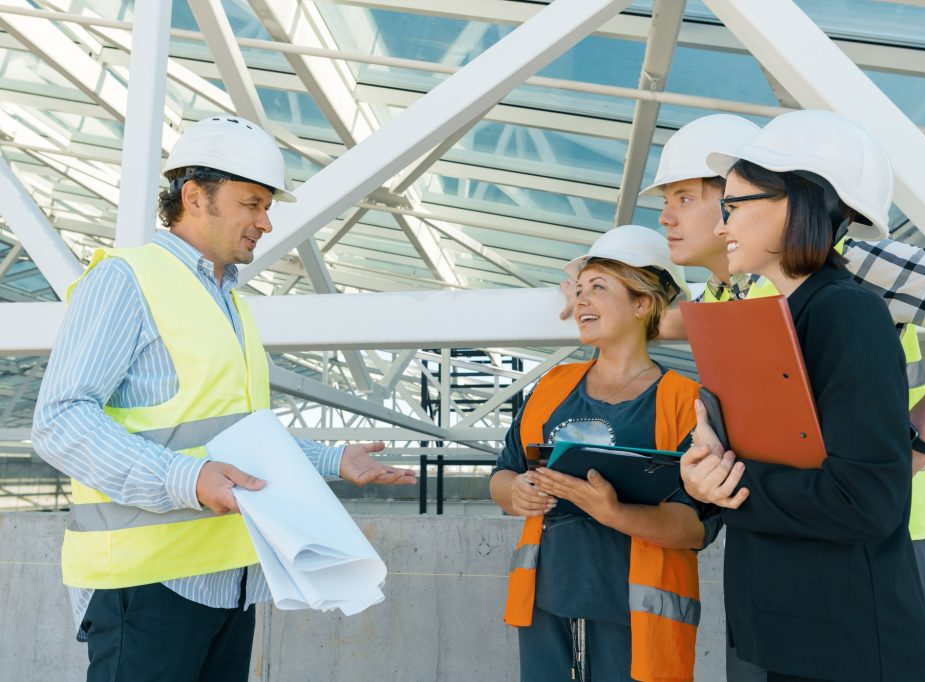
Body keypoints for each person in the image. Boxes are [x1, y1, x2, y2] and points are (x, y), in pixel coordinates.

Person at [32, 115, 416, 682]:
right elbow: (60, 420)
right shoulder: (126, 279)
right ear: (195, 196)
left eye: (266, 207)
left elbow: (236, 438)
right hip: (148, 585)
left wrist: (333, 461)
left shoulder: (229, 303)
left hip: (229, 581)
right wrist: (186, 480)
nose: (265, 222)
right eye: (252, 203)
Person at [680, 110, 925, 681]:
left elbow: (866, 500)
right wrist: (700, 476)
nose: (722, 227)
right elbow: (755, 455)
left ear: (797, 203)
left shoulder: (846, 313)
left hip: (849, 648)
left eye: (734, 207)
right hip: (797, 632)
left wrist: (733, 482)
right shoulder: (778, 316)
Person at [491, 224, 716, 682]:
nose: (581, 301)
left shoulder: (685, 401)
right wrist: (515, 493)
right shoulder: (551, 386)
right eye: (579, 290)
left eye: (598, 288)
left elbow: (696, 526)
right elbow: (503, 474)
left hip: (638, 615)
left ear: (642, 304)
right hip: (545, 604)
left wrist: (612, 511)